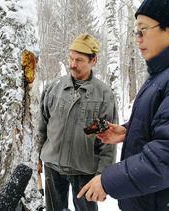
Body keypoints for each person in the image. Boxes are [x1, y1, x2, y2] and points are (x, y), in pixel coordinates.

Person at [77, 0, 169, 210]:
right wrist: (128, 132)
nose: (137, 39)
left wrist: (107, 181)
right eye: (135, 31)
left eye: (143, 30)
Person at [38, 33, 118, 211]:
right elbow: (41, 127)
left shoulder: (104, 95)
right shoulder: (53, 88)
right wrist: (36, 158)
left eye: (79, 60)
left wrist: (103, 177)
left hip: (84, 170)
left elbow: (109, 144)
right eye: (71, 58)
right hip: (52, 166)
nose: (73, 64)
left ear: (93, 61)